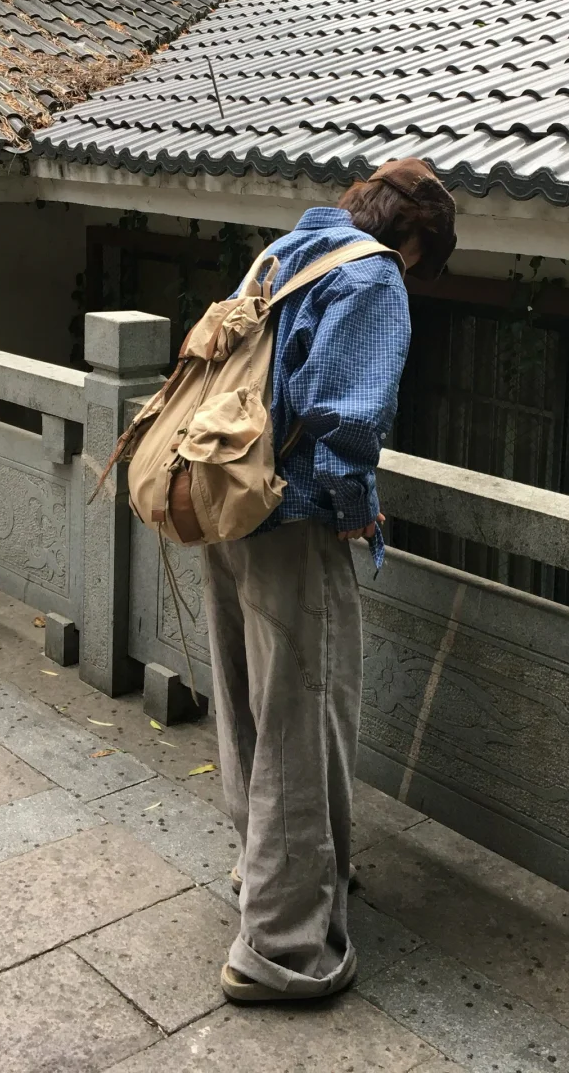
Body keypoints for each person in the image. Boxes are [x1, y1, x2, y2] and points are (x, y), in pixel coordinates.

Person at [202, 157, 457, 1004]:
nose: (414, 275)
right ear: (414, 237)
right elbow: (344, 415)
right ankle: (282, 950)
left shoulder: (280, 254)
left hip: (227, 505)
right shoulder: (372, 275)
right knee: (302, 726)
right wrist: (356, 510)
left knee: (250, 709)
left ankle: (265, 876)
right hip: (294, 522)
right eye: (424, 260)